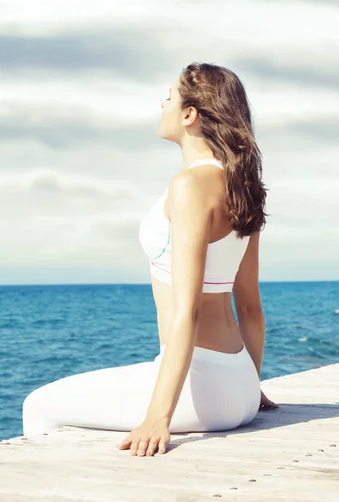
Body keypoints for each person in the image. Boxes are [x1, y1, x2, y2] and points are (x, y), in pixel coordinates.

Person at [22, 62, 278, 456]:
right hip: (241, 380)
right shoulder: (241, 186)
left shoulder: (190, 186)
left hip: (205, 385)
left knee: (38, 406)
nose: (162, 104)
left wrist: (159, 416)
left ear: (189, 114)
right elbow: (249, 306)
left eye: (169, 97)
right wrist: (250, 387)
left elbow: (186, 311)